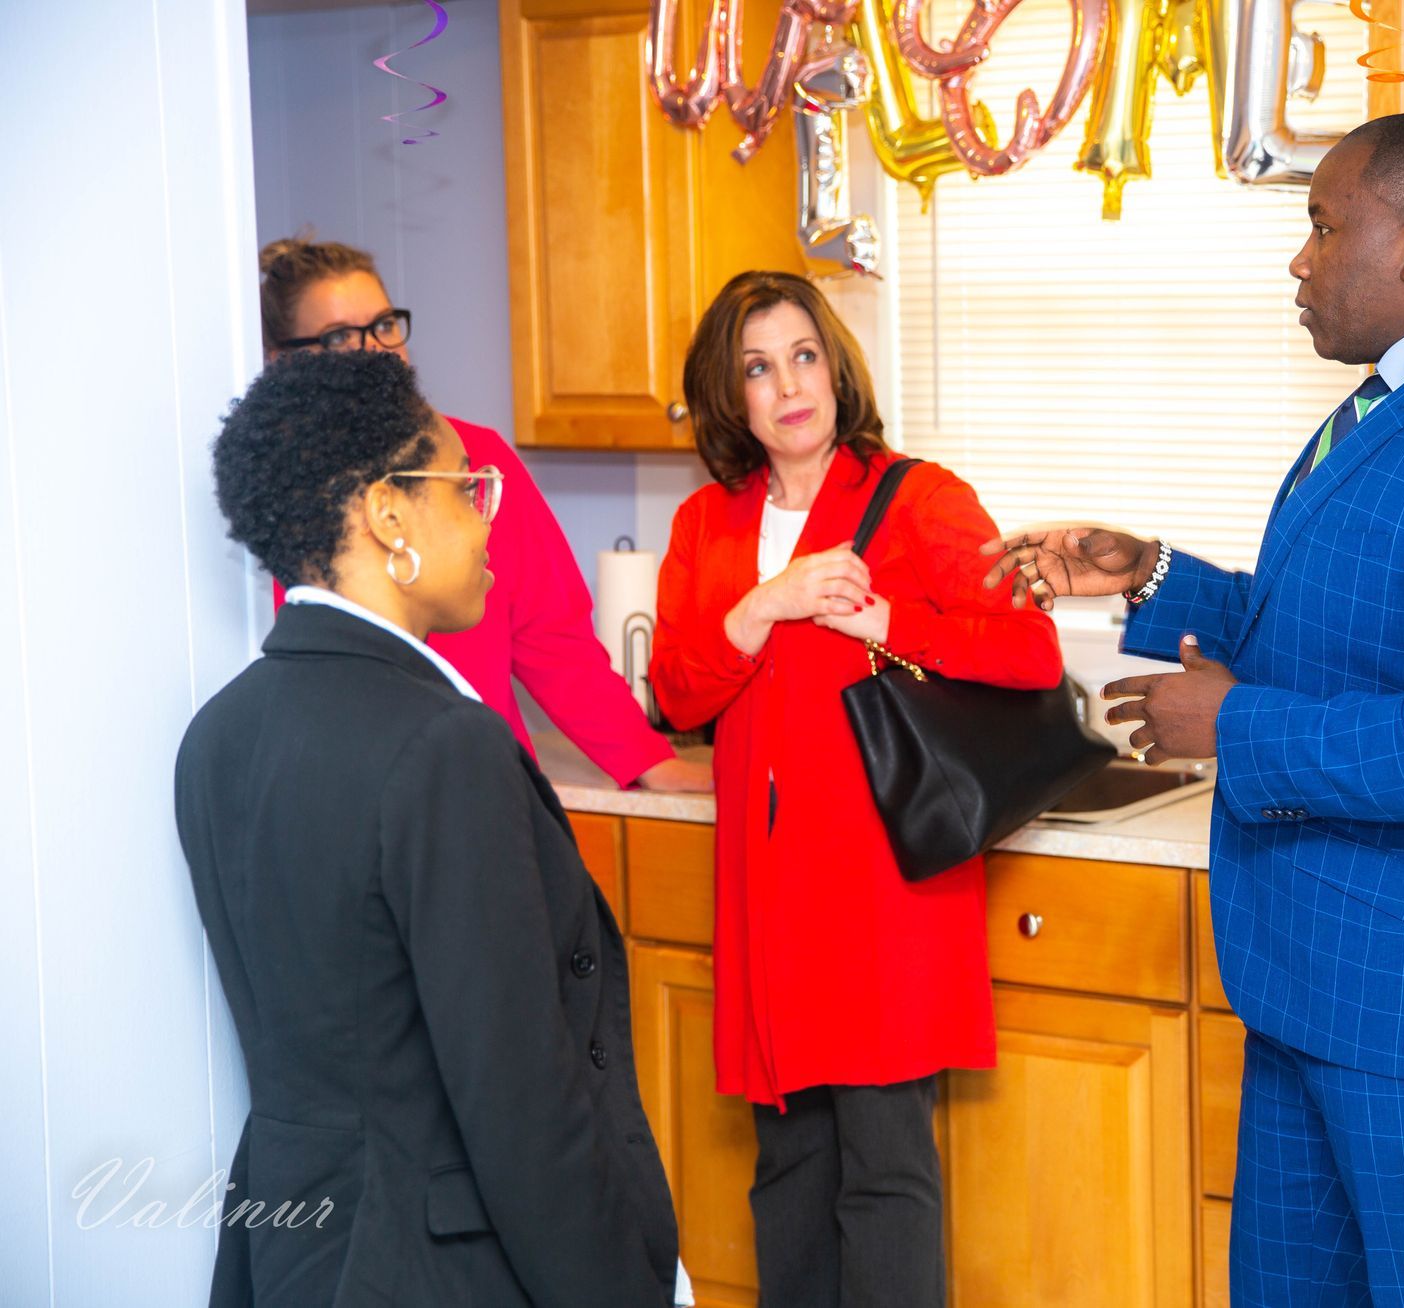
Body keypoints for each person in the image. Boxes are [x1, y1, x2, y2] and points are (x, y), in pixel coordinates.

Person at [983, 112, 1404, 1305]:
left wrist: (1229, 725)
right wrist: (1156, 578)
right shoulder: (1388, 404)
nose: (1300, 257)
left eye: (1325, 226)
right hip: (1311, 988)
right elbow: (1338, 634)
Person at [175, 350, 682, 1306]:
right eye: (467, 487)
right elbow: (521, 1106)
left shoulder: (219, 734)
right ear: (389, 515)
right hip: (439, 1265)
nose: (492, 515)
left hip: (291, 1258)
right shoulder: (446, 746)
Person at [649, 271, 1064, 1308]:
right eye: (756, 368)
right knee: (789, 1166)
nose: (787, 384)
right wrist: (768, 602)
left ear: (834, 365)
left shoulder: (919, 498)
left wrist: (893, 625)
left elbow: (1032, 649)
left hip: (881, 889)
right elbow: (675, 692)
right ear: (728, 396)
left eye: (802, 355)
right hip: (765, 892)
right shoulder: (708, 523)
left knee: (885, 1171)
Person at [258, 236, 708, 792]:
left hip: (487, 786)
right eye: (340, 337)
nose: (373, 349)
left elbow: (554, 640)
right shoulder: (274, 494)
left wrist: (647, 759)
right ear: (282, 360)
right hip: (348, 793)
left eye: (384, 325)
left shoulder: (477, 461)